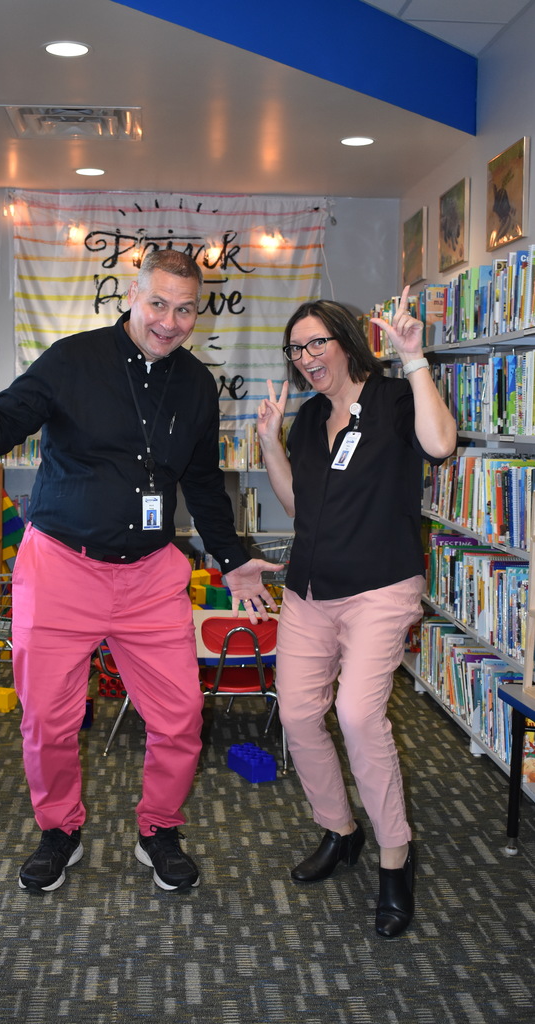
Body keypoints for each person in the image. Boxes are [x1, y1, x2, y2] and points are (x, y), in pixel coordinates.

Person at [0, 249, 280, 894]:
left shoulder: (195, 385)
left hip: (152, 573)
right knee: (48, 719)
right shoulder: (73, 359)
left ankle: (158, 829)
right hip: (60, 569)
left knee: (181, 716)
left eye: (185, 309)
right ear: (133, 294)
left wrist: (235, 560)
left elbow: (205, 485)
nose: (170, 321)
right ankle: (59, 830)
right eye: (158, 303)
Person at [256, 286, 456, 938]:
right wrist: (268, 443)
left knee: (358, 713)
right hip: (310, 590)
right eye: (296, 349)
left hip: (379, 586)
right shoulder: (310, 421)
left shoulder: (396, 399)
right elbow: (299, 508)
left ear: (345, 341)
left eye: (316, 342)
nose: (306, 357)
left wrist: (412, 357)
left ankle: (394, 856)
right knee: (296, 714)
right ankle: (339, 830)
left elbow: (441, 443)